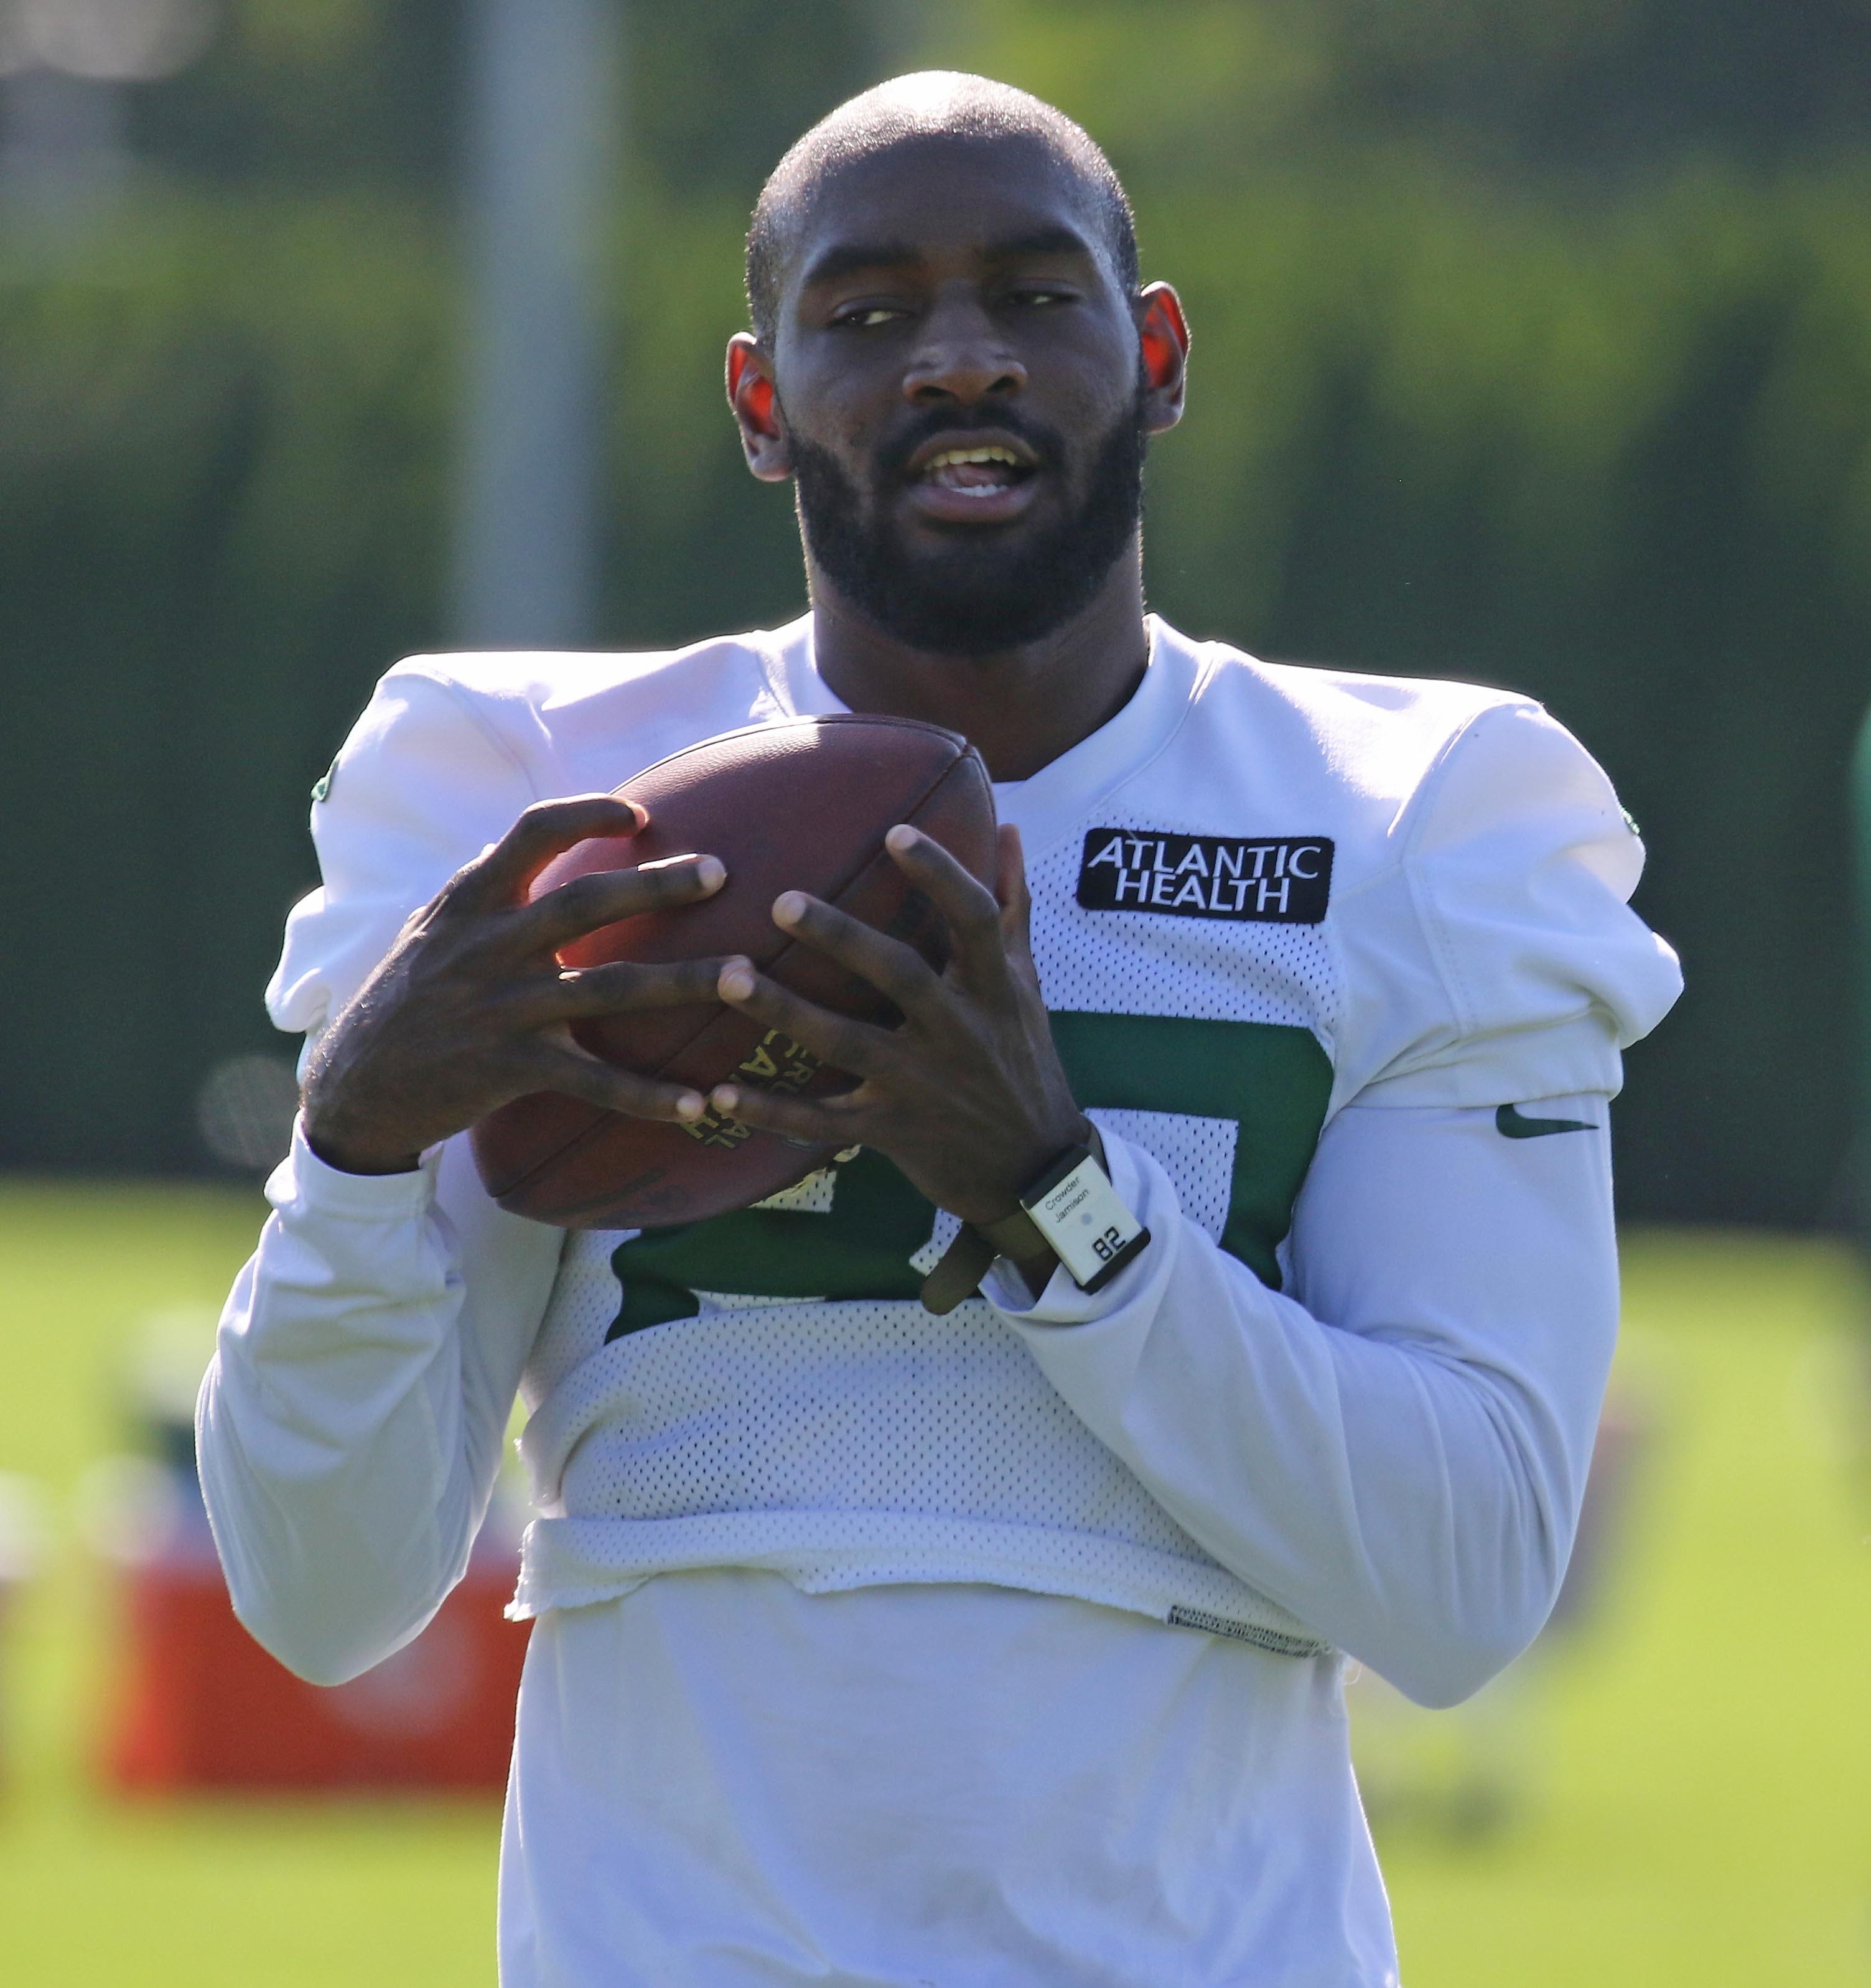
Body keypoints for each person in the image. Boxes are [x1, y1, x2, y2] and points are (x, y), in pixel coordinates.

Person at [197, 72, 1682, 1987]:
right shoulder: (542, 798)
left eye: (1032, 297)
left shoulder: (1413, 819)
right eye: (871, 311)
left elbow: (1468, 1585)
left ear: (1151, 357)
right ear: (759, 401)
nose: (958, 361)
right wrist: (355, 1148)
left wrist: (1057, 1194)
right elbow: (324, 1595)